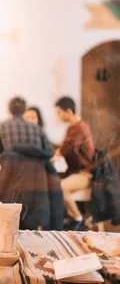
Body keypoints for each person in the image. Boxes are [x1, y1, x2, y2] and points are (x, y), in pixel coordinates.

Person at [54, 96, 95, 231]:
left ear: (69, 111)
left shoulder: (78, 127)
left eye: (60, 112)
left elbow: (66, 148)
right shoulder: (74, 127)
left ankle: (78, 219)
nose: (58, 115)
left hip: (85, 174)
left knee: (60, 187)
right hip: (79, 172)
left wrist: (55, 154)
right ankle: (69, 219)